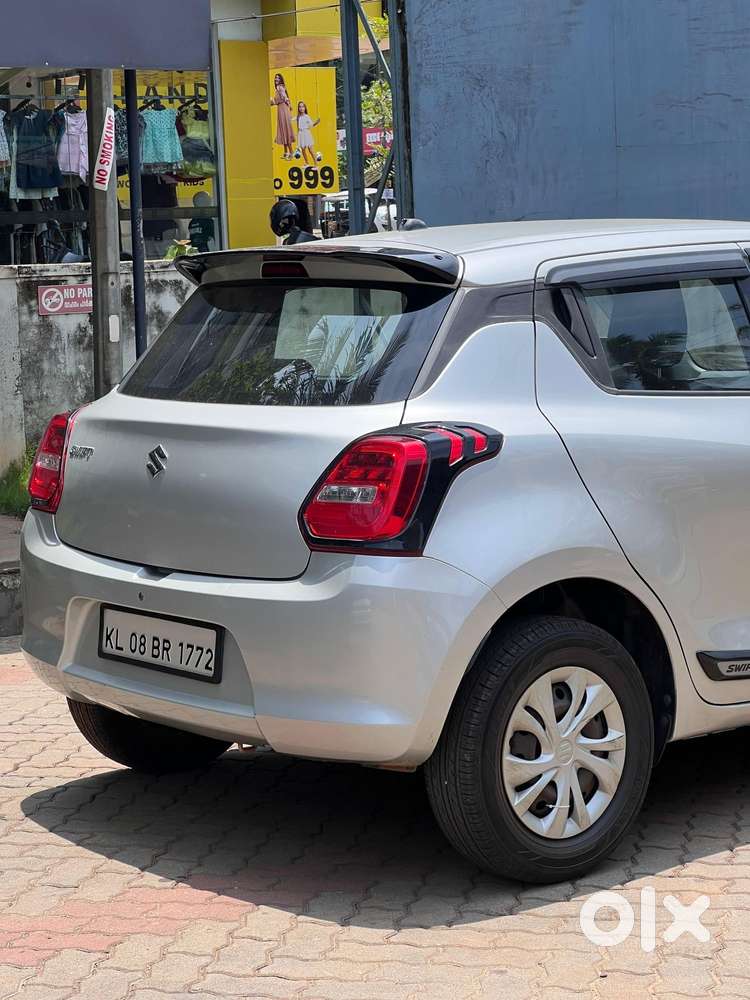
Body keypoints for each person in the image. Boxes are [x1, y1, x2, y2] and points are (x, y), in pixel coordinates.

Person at [270, 74, 295, 160]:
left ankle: (291, 152)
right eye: (275, 78)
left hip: (283, 109)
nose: (276, 79)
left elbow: (285, 97)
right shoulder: (278, 89)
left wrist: (289, 105)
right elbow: (276, 101)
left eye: (278, 78)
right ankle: (286, 152)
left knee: (285, 130)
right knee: (282, 130)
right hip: (281, 109)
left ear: (281, 80)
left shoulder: (280, 87)